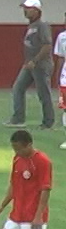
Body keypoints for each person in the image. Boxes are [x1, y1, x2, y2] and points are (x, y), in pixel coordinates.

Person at [5, 0, 54, 129]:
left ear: (37, 11)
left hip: (40, 65)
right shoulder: (31, 26)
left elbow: (47, 45)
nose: (25, 11)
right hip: (29, 64)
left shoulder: (42, 25)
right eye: (25, 9)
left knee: (43, 93)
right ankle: (18, 118)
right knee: (18, 88)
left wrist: (35, 60)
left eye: (28, 9)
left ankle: (48, 122)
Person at [53, 16, 66, 148]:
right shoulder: (62, 37)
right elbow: (61, 58)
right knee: (65, 109)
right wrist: (57, 76)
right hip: (65, 79)